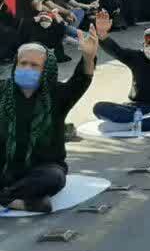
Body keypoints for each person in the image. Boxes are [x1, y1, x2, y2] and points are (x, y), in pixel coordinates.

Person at [0, 34, 98, 213]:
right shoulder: (2, 91)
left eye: (34, 65)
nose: (27, 68)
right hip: (5, 167)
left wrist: (88, 57)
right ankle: (21, 201)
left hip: (41, 170)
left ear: (46, 70)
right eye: (23, 63)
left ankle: (7, 197)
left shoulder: (57, 95)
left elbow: (81, 80)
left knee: (54, 178)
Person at [91, 13, 150, 132]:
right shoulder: (136, 57)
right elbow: (117, 51)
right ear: (144, 44)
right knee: (99, 108)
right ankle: (147, 124)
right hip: (136, 107)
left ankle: (129, 125)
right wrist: (102, 34)